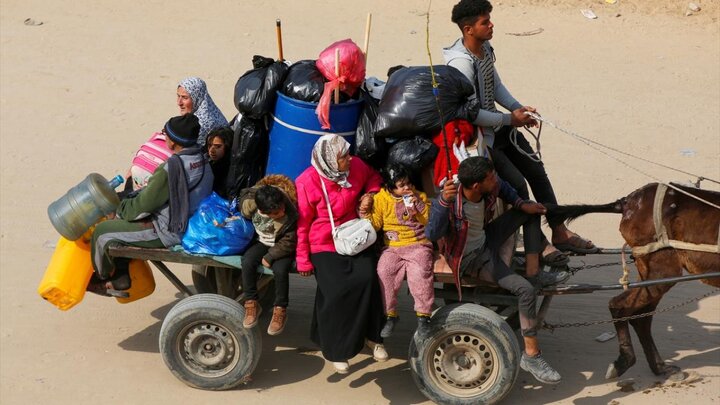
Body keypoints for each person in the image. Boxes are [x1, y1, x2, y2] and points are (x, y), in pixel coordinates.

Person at [443, 0, 598, 261]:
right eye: (485, 22)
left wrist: (518, 109)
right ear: (468, 29)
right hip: (484, 138)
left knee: (537, 173)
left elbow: (495, 83)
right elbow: (471, 113)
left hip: (502, 126)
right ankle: (539, 246)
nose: (491, 25)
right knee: (518, 185)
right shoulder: (460, 64)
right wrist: (509, 120)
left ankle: (559, 230)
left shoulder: (484, 47)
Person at [426, 156, 567, 385]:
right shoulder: (450, 202)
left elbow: (507, 190)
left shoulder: (488, 187)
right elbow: (432, 233)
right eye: (491, 178)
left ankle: (534, 273)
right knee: (525, 292)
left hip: (486, 238)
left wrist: (522, 204)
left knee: (530, 212)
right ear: (475, 185)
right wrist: (442, 202)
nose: (496, 180)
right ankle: (531, 356)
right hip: (472, 259)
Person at [295, 134, 388, 374]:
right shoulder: (307, 182)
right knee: (336, 291)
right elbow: (303, 224)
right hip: (323, 242)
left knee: (368, 278)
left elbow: (374, 178)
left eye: (347, 153)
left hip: (353, 236)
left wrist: (370, 194)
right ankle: (337, 350)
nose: (349, 159)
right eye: (343, 157)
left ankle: (373, 337)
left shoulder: (356, 166)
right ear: (329, 161)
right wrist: (303, 260)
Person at [89, 115, 213, 295]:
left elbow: (143, 205)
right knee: (125, 221)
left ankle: (104, 278)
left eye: (166, 135)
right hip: (192, 223)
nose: (165, 138)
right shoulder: (203, 160)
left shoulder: (172, 168)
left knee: (103, 232)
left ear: (174, 142)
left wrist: (120, 210)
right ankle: (121, 277)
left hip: (170, 230)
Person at [362, 164, 434, 338]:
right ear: (390, 187)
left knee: (420, 272)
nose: (407, 188)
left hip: (418, 244)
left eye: (408, 183)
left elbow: (428, 221)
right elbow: (376, 225)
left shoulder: (419, 196)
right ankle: (390, 315)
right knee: (384, 271)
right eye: (401, 185)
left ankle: (424, 317)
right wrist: (365, 213)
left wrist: (418, 205)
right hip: (393, 247)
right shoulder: (381, 199)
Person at [237, 176, 298, 336]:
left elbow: (290, 241)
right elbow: (243, 203)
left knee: (280, 270)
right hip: (262, 242)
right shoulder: (252, 203)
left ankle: (280, 309)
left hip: (281, 247)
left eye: (282, 208)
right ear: (263, 211)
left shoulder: (289, 211)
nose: (282, 211)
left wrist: (270, 257)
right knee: (248, 261)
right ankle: (251, 303)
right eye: (277, 212)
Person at [178, 77, 228, 146]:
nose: (179, 103)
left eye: (185, 97)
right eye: (178, 96)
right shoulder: (210, 109)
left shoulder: (200, 123)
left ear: (197, 97)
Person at [204, 126, 233, 198]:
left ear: (227, 147)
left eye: (218, 147)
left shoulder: (232, 170)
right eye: (209, 145)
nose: (212, 150)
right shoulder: (207, 163)